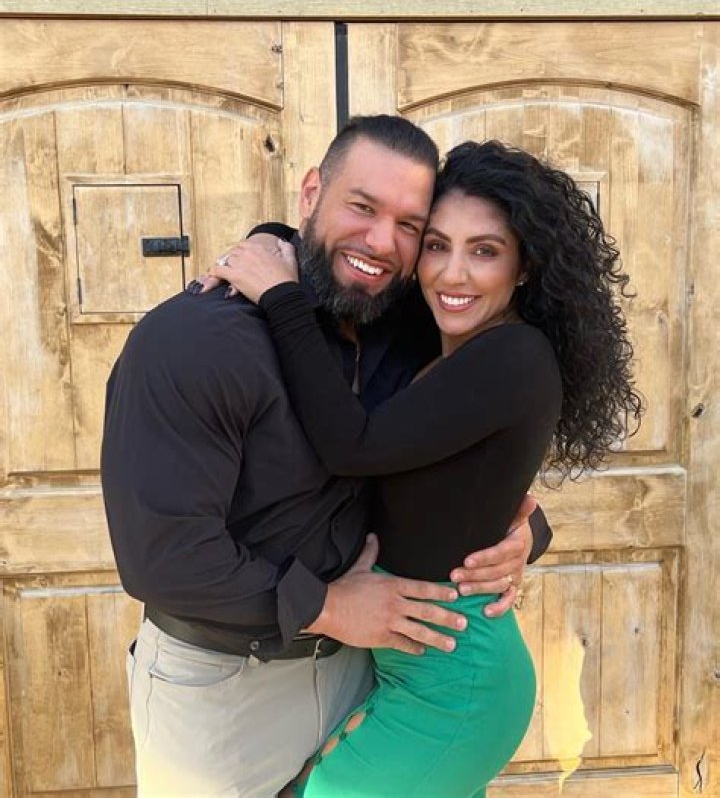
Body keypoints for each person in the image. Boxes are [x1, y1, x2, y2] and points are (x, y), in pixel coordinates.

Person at [101, 117, 553, 798]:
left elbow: (462, 470)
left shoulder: (408, 329)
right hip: (225, 693)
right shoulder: (194, 340)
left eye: (409, 226)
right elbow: (164, 557)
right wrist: (330, 608)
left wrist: (524, 534)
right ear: (311, 192)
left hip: (370, 670)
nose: (382, 242)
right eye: (362, 207)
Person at [209, 139, 643, 797]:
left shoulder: (515, 356)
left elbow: (352, 447)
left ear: (525, 264)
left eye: (485, 251)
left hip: (454, 685)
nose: (452, 274)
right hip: (412, 668)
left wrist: (279, 296)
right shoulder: (444, 338)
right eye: (437, 245)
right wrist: (270, 240)